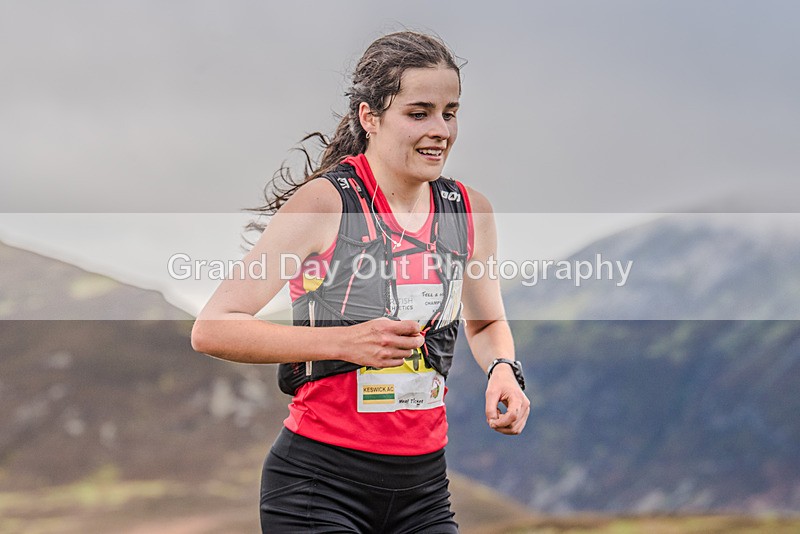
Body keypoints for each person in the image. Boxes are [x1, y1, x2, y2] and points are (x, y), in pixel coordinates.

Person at [191, 30, 530, 533]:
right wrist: (348, 342)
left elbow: (486, 323)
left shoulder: (470, 211)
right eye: (419, 113)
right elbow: (214, 327)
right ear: (369, 117)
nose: (440, 129)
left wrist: (503, 368)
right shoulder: (326, 204)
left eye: (449, 112)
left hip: (424, 490)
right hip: (317, 487)